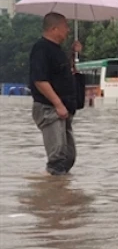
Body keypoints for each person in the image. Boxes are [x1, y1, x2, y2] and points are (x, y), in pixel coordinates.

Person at [29, 12, 81, 175]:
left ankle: (60, 191)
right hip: (49, 108)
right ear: (54, 28)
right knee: (57, 158)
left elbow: (63, 75)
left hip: (64, 109)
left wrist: (74, 54)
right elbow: (39, 80)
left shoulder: (58, 51)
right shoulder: (41, 48)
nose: (68, 30)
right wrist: (58, 104)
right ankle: (51, 196)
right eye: (65, 26)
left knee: (68, 157)